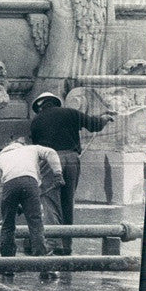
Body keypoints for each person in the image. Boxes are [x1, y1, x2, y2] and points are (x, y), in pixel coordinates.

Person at [29, 92, 115, 255]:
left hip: (50, 161)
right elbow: (94, 124)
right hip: (72, 159)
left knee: (51, 202)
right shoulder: (70, 113)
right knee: (67, 202)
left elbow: (37, 149)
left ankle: (54, 244)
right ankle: (67, 246)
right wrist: (104, 118)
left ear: (40, 106)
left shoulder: (36, 121)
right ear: (56, 103)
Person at [0, 135, 64, 280]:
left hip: (9, 185)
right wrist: (58, 174)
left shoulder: (1, 157)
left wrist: (13, 205)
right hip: (30, 183)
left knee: (7, 226)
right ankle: (43, 266)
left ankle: (7, 266)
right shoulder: (32, 149)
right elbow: (51, 153)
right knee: (35, 224)